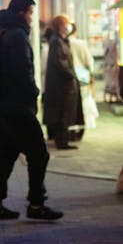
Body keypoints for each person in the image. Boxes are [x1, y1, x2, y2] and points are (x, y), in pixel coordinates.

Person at [0, 0, 63, 221]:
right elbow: (22, 72)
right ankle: (36, 204)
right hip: (17, 105)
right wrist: (34, 93)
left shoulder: (2, 32)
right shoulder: (17, 36)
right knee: (39, 154)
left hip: (0, 105)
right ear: (22, 13)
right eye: (30, 12)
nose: (31, 17)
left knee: (4, 154)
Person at [43, 14, 80, 150]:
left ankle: (63, 139)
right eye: (65, 24)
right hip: (62, 85)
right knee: (63, 113)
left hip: (63, 84)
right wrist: (71, 75)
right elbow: (60, 63)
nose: (67, 26)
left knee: (64, 112)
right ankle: (62, 140)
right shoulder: (57, 42)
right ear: (59, 26)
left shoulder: (60, 41)